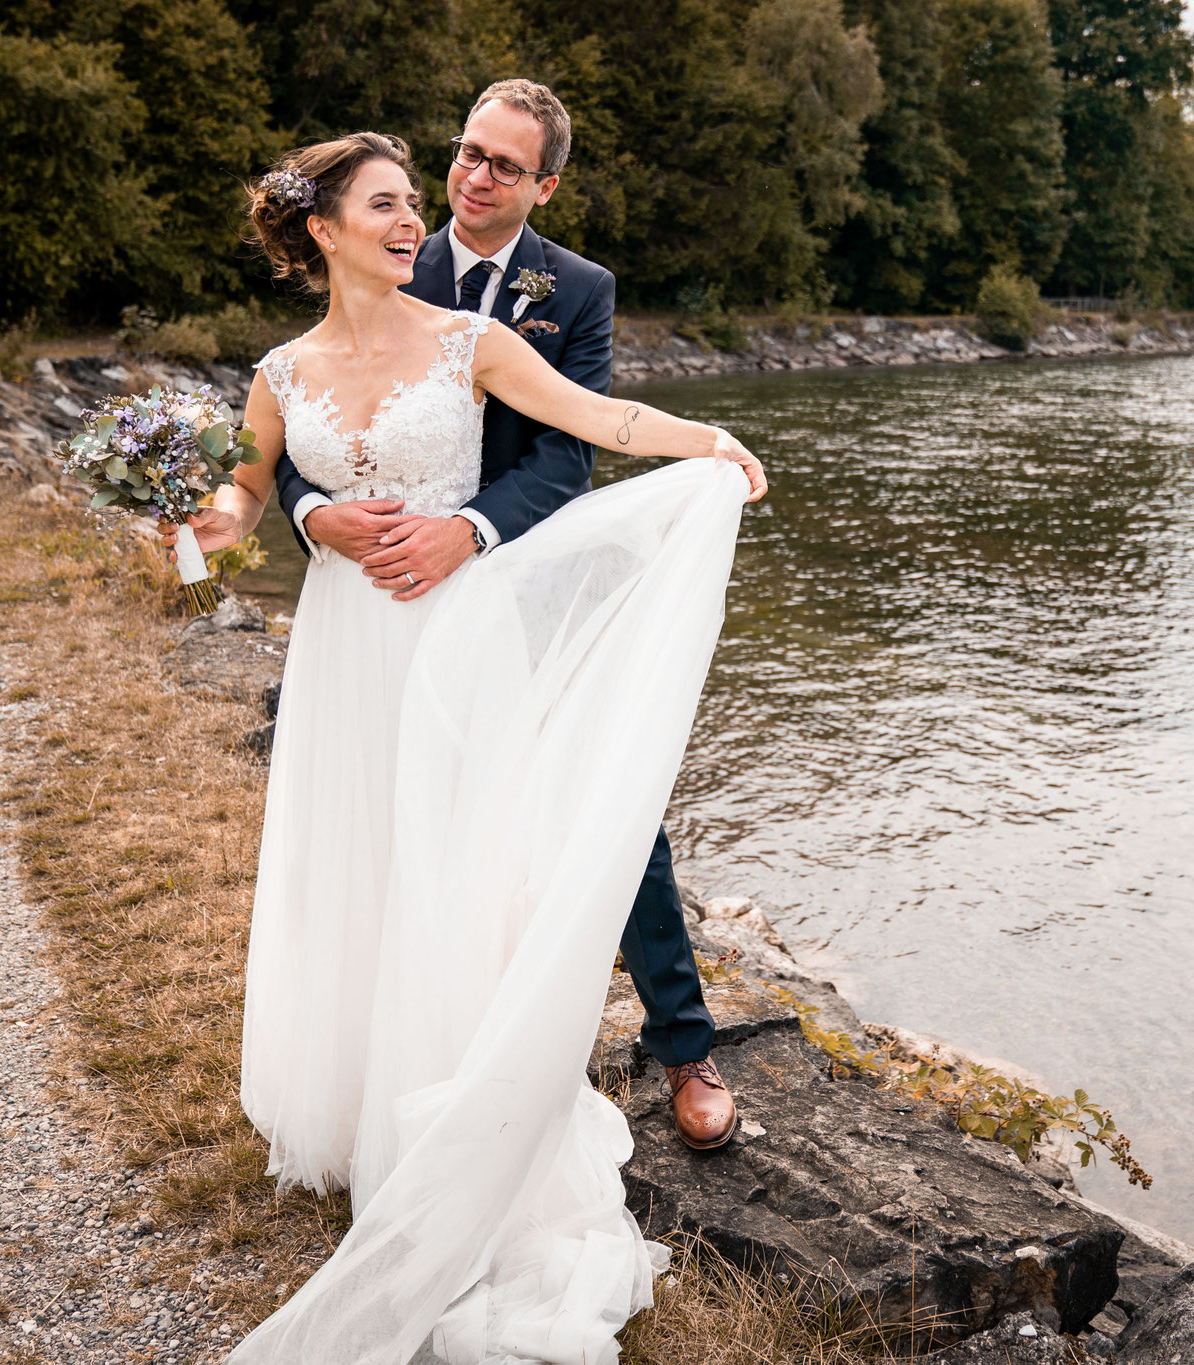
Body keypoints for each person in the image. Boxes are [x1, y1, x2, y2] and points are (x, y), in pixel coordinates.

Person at [167, 126, 765, 1362]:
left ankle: (463, 1118)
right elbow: (242, 490)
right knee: (367, 855)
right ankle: (361, 1108)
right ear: (322, 230)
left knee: (469, 862)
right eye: (382, 207)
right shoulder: (278, 372)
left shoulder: (470, 339)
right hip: (349, 643)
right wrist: (194, 521)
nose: (408, 224)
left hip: (461, 629)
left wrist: (708, 446)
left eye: (407, 206)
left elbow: (596, 415)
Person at [274, 81, 736, 1152]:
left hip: (521, 577)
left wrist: (470, 533)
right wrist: (310, 514)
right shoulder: (383, 242)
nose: (472, 177)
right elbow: (306, 421)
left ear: (545, 186)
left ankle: (682, 1043)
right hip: (386, 601)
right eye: (466, 153)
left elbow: (570, 452)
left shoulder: (575, 290)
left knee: (604, 798)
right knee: (394, 818)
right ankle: (405, 1054)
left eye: (502, 165)